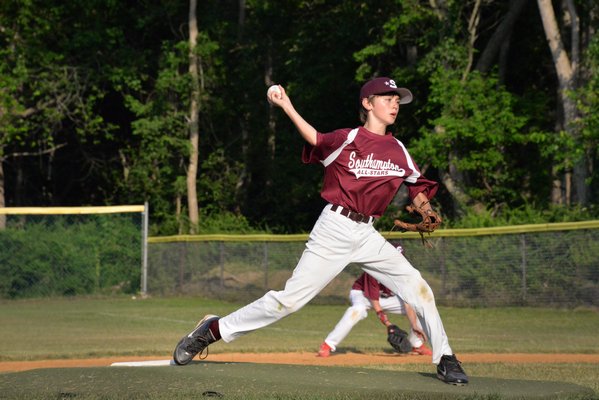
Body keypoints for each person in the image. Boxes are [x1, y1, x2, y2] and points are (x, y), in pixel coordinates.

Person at [172, 77, 469, 385]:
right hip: (335, 228)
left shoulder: (397, 149)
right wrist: (286, 104)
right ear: (367, 103)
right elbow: (315, 138)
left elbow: (416, 183)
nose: (395, 103)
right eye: (387, 97)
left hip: (368, 234)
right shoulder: (348, 137)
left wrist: (427, 208)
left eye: (397, 99)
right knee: (288, 301)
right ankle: (212, 331)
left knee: (418, 288)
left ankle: (446, 358)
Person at [318, 255, 432, 358]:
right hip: (362, 294)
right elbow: (374, 301)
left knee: (419, 308)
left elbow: (408, 303)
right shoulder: (374, 269)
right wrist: (388, 325)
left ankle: (416, 344)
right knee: (357, 310)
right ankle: (328, 344)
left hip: (388, 298)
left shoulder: (405, 274)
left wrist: (414, 325)